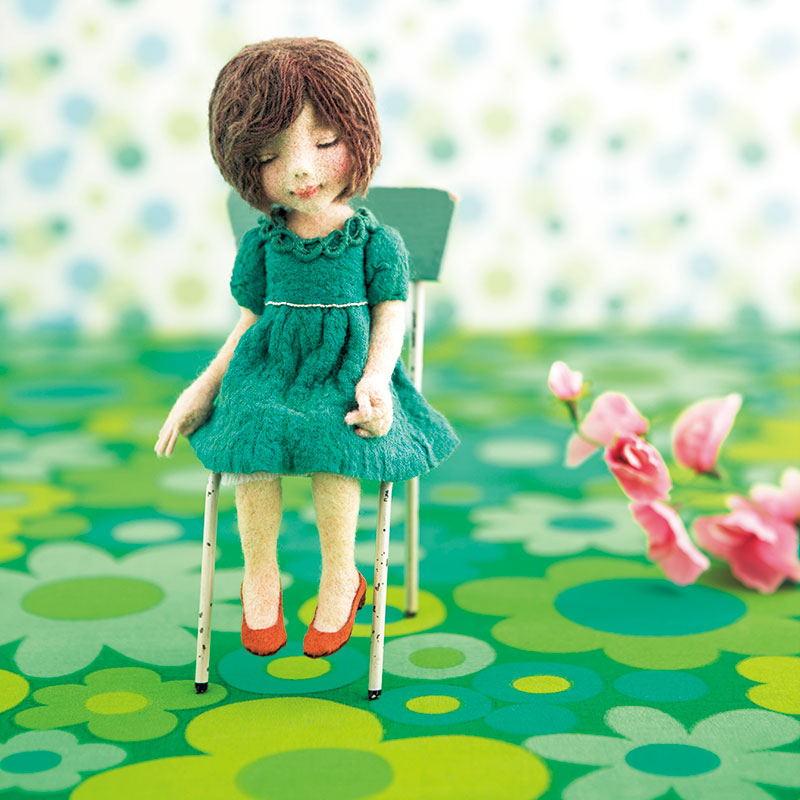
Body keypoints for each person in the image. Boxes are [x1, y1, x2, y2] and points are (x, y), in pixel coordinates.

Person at [154, 37, 458, 659]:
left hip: (346, 373)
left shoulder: (375, 242)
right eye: (270, 154)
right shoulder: (264, 243)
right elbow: (247, 325)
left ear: (358, 136)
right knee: (250, 429)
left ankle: (341, 576)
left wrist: (376, 379)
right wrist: (202, 388)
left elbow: (391, 315)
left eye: (325, 143)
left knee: (334, 436)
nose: (300, 170)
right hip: (269, 370)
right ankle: (259, 576)